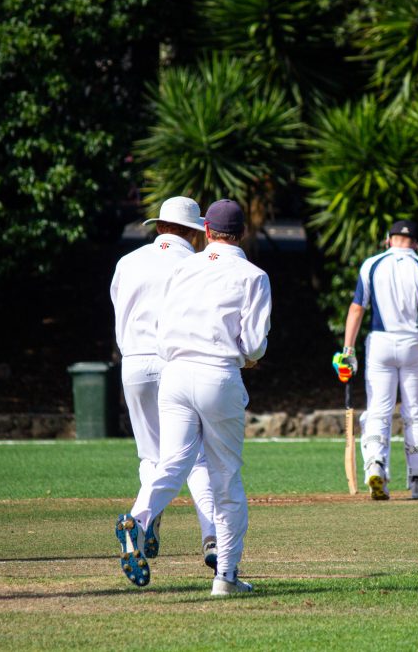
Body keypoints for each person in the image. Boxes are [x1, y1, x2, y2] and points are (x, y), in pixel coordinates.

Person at [116, 199, 271, 596]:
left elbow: (163, 327)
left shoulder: (185, 267)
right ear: (242, 233)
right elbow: (253, 345)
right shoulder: (253, 275)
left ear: (208, 231)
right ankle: (226, 577)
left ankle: (138, 518)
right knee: (225, 478)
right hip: (218, 375)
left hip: (174, 374)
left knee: (171, 462)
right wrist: (244, 357)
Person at [110, 196, 218, 581]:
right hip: (176, 362)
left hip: (133, 364)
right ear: (196, 232)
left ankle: (147, 517)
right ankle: (210, 538)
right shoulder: (195, 264)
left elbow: (119, 310)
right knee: (197, 457)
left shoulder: (128, 262)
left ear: (160, 228)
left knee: (153, 457)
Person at [332, 219, 418, 501]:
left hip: (380, 342)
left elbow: (357, 308)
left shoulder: (371, 264)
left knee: (379, 409)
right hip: (413, 344)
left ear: (388, 240)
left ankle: (375, 467)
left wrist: (347, 350)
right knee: (416, 412)